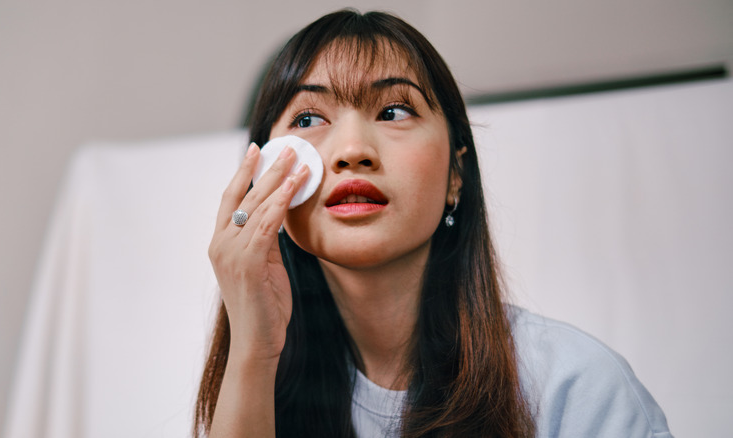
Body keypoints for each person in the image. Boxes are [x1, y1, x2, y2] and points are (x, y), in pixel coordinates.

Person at [194, 9, 673, 438]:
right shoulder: (254, 384)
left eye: (393, 111)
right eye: (308, 119)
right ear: (263, 178)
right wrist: (252, 354)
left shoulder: (576, 388)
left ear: (455, 176)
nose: (351, 151)